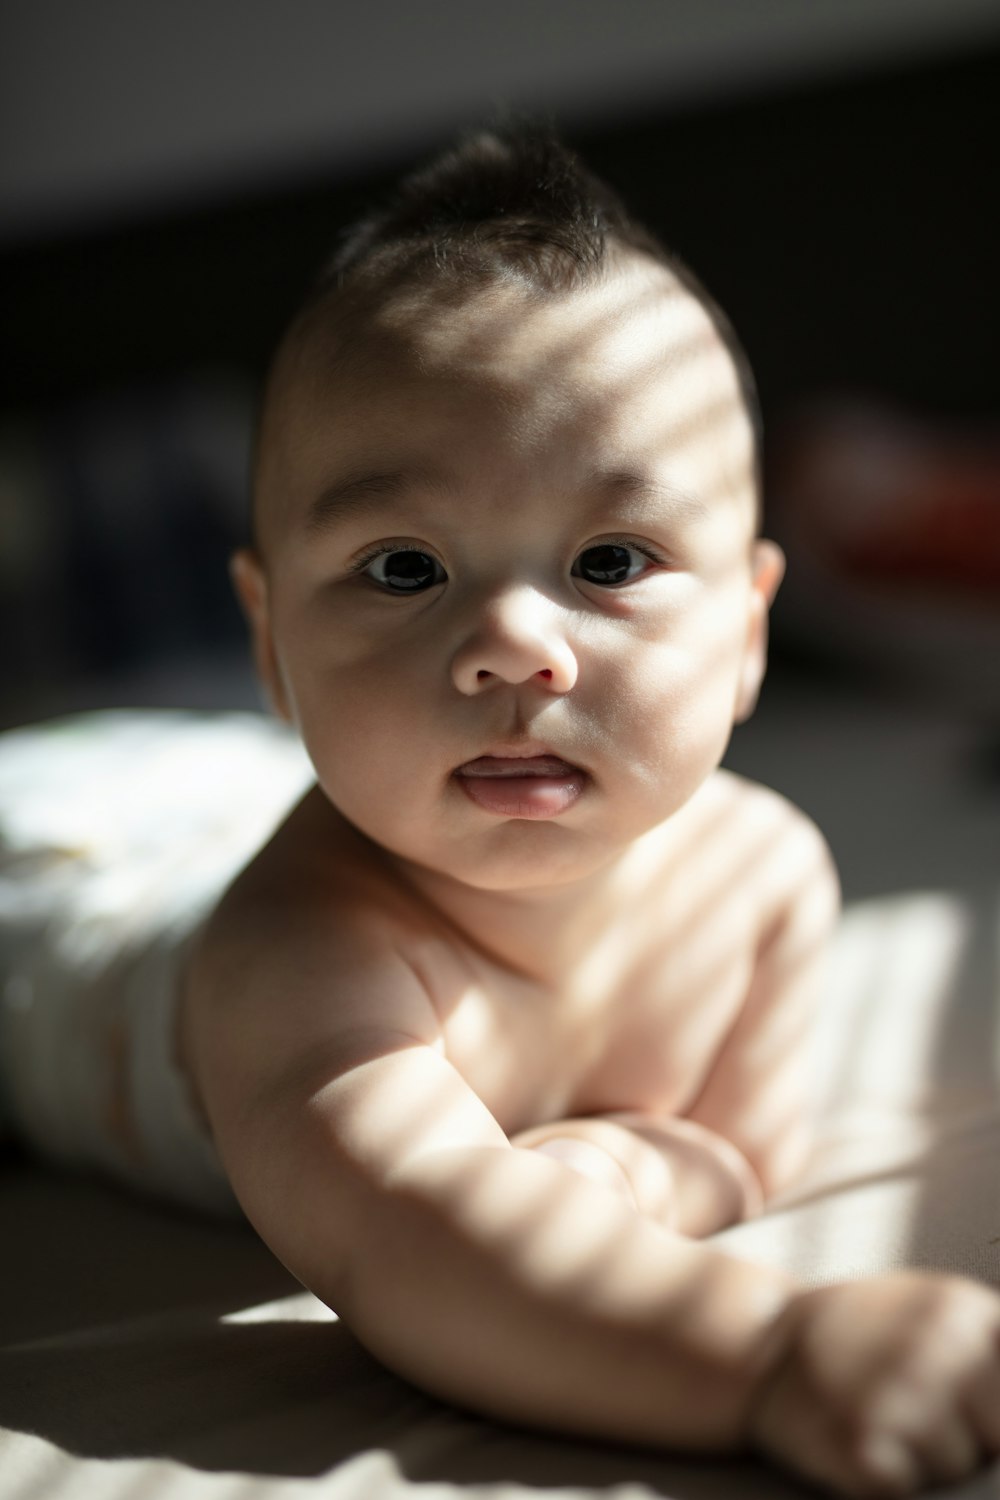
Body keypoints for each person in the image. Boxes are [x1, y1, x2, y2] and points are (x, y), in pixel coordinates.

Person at [9, 125, 1000, 1498]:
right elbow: (412, 1235)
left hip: (208, 784)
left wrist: (639, 1171)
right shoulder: (302, 960)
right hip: (60, 877)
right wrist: (767, 1354)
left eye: (610, 559)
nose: (513, 648)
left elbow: (736, 1148)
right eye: (405, 566)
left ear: (752, 631)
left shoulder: (763, 880)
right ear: (272, 642)